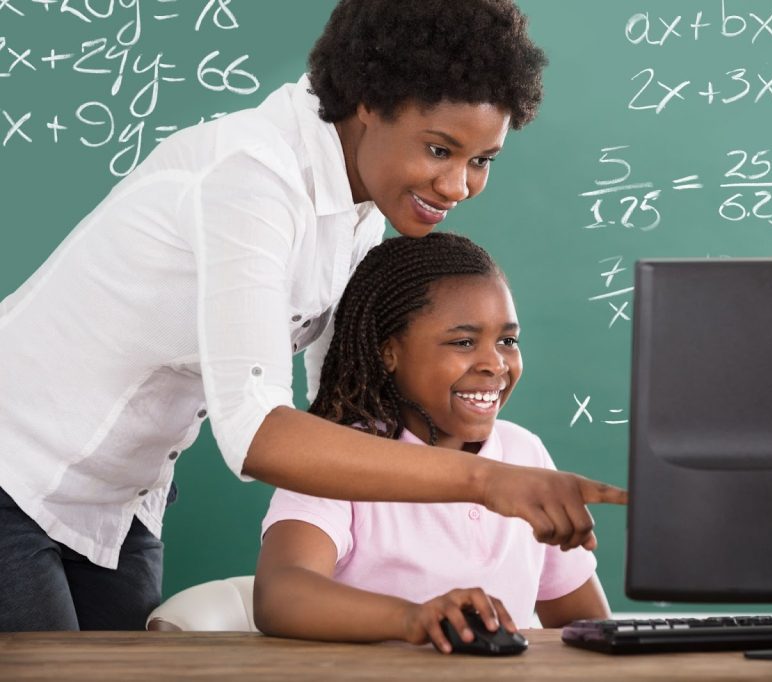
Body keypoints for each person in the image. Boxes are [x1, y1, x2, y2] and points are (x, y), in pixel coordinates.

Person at [0, 0, 625, 632]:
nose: (457, 185)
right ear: (366, 103)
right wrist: (484, 481)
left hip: (120, 498)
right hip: (13, 469)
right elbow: (255, 432)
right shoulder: (252, 177)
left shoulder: (359, 208)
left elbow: (345, 413)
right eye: (440, 149)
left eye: (481, 160)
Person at [255, 233, 612, 649]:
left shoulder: (524, 454)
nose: (495, 363)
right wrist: (413, 617)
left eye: (508, 341)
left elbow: (586, 625)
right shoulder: (337, 457)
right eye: (463, 342)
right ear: (390, 352)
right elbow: (278, 594)